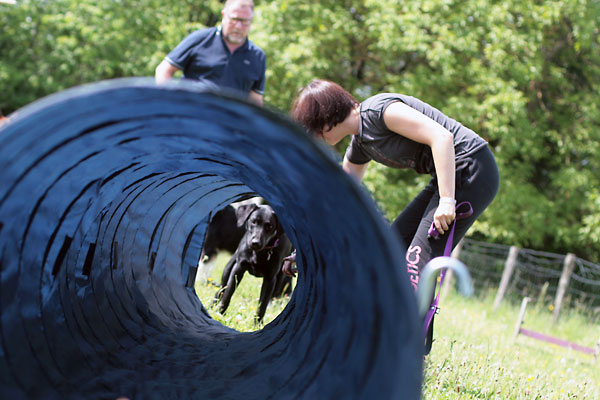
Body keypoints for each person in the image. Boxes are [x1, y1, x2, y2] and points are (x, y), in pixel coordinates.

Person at [287, 79, 499, 292]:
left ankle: (410, 324)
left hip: (471, 169)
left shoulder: (380, 110)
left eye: (313, 131)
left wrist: (446, 200)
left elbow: (442, 137)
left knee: (415, 270)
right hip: (448, 177)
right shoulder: (360, 143)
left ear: (325, 121)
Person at [155, 0, 266, 106]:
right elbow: (164, 70)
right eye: (234, 19)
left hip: (229, 122)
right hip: (193, 116)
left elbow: (255, 101)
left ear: (251, 20)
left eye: (244, 21)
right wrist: (168, 104)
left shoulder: (258, 56)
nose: (238, 26)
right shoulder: (200, 39)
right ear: (223, 15)